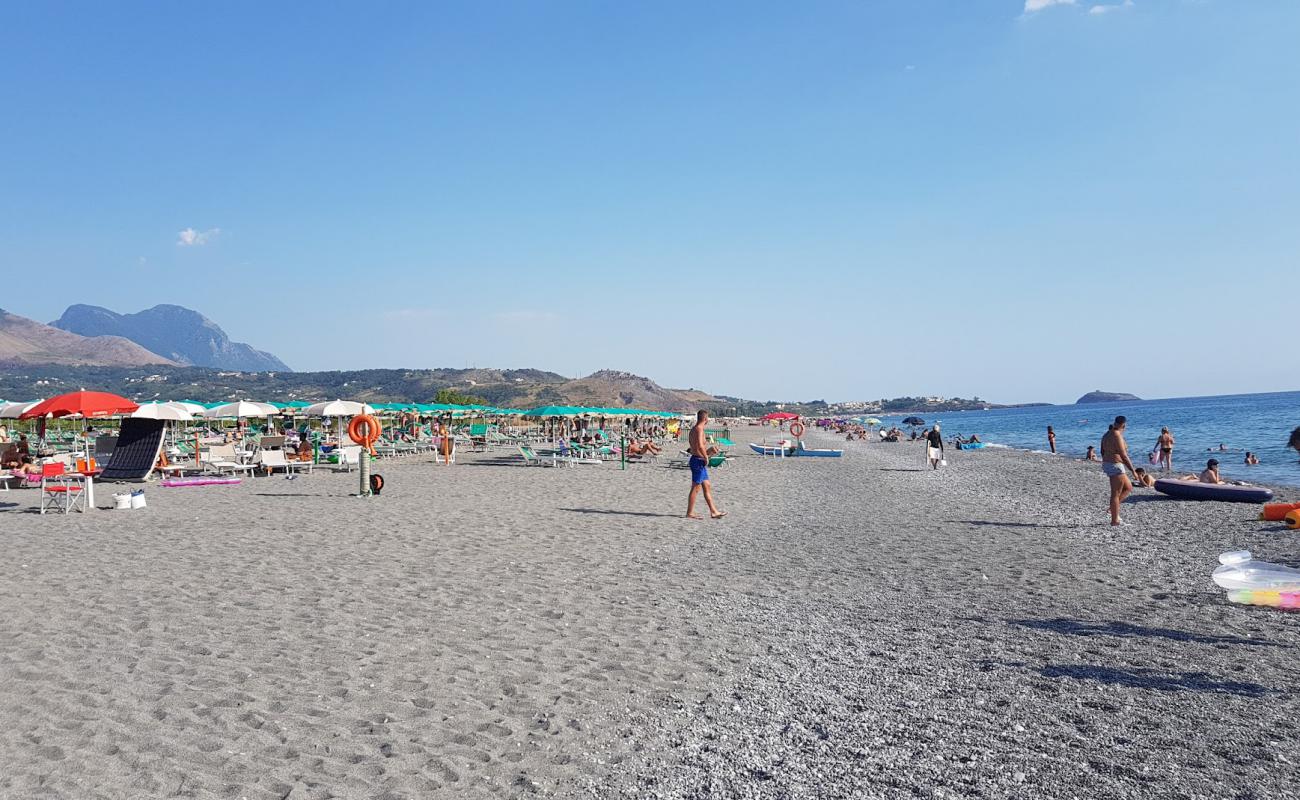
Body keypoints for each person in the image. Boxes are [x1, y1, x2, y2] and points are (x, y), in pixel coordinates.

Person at [686, 409, 725, 520]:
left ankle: (714, 511)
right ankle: (689, 512)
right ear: (705, 418)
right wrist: (706, 456)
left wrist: (710, 451)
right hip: (698, 461)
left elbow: (695, 447)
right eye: (707, 418)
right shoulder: (699, 429)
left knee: (706, 485)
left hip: (698, 459)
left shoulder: (694, 429)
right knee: (696, 488)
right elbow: (699, 446)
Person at [1101, 416, 1138, 527]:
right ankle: (1114, 521)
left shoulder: (1107, 434)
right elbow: (1124, 456)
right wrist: (1133, 470)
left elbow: (1102, 451)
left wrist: (1107, 461)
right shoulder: (1117, 435)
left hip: (1109, 464)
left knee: (1128, 488)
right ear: (1124, 425)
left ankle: (1113, 509)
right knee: (1115, 494)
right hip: (1115, 466)